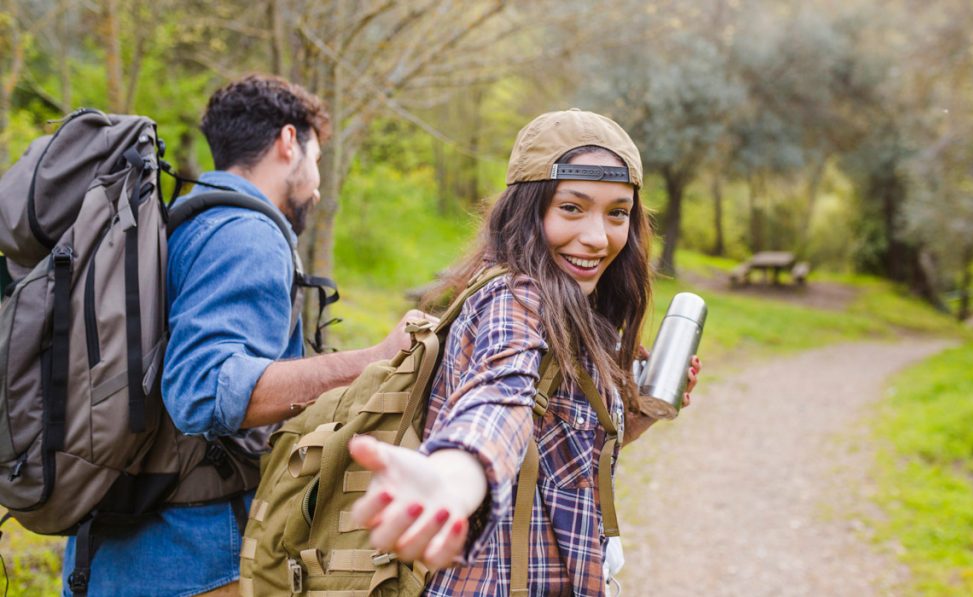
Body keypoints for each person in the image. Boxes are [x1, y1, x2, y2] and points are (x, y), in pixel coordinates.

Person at [62, 74, 419, 596]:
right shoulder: (246, 233)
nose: (317, 186)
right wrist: (377, 359)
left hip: (116, 555)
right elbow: (203, 389)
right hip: (195, 564)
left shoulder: (183, 222)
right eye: (317, 159)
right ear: (288, 141)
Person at [348, 108, 702, 595]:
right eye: (572, 208)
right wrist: (456, 475)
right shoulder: (514, 299)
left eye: (617, 212)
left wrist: (640, 412)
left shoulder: (583, 309)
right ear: (528, 211)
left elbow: (566, 457)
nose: (598, 237)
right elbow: (500, 398)